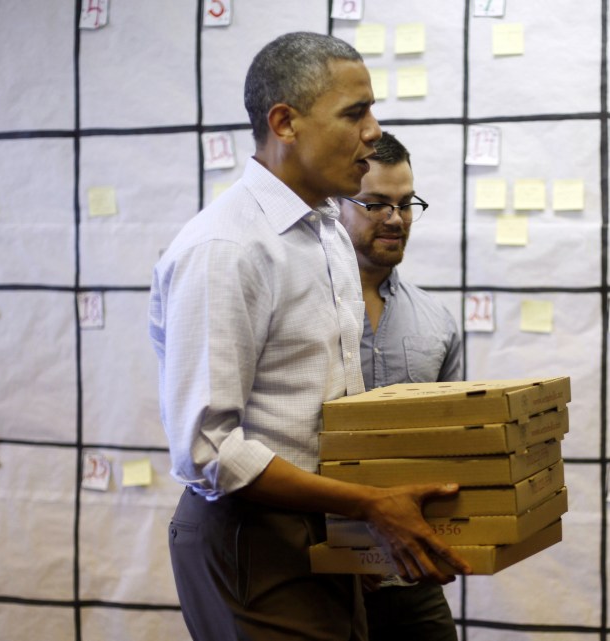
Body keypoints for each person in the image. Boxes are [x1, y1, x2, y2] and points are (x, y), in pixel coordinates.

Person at [149, 32, 471, 641]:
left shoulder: (323, 231)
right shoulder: (227, 249)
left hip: (321, 530)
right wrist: (366, 506)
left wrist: (351, 528)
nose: (373, 130)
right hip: (255, 537)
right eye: (355, 113)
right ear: (285, 123)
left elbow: (320, 411)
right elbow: (209, 451)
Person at [338, 131, 463, 641]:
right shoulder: (298, 312)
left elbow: (453, 446)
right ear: (337, 206)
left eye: (405, 204)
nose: (394, 218)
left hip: (409, 571)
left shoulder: (437, 320)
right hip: (315, 574)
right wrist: (346, 544)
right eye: (375, 204)